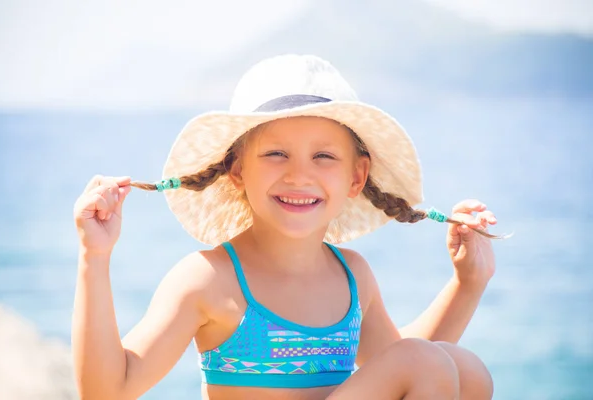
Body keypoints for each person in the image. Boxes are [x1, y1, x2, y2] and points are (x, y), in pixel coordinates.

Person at [72, 54, 505, 399]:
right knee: (429, 361)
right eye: (276, 154)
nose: (299, 176)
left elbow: (415, 375)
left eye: (324, 157)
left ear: (356, 178)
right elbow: (108, 391)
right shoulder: (209, 279)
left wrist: (469, 283)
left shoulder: (352, 276)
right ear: (238, 170)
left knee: (466, 370)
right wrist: (95, 258)